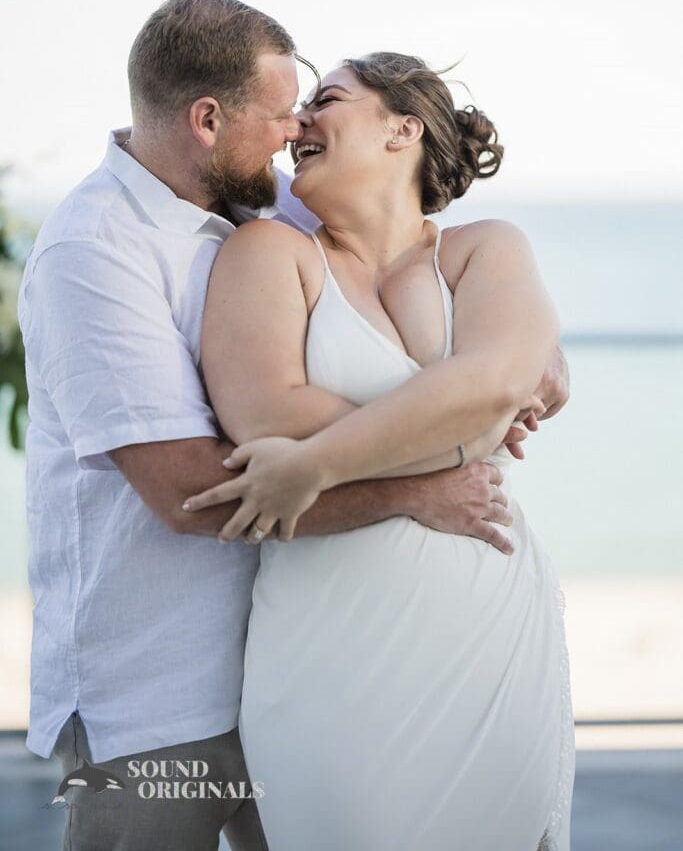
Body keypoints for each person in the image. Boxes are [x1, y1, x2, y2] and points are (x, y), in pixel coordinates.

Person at [17, 0, 566, 851]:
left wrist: (531, 349)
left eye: (312, 109)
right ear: (206, 120)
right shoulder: (95, 253)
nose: (291, 132)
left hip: (296, 656)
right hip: (160, 696)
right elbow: (192, 492)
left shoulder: (267, 203)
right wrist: (425, 478)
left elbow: (404, 239)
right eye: (281, 115)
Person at [185, 53, 575, 850]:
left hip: (490, 638)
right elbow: (264, 411)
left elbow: (499, 378)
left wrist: (315, 464)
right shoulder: (269, 253)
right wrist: (464, 425)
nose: (297, 126)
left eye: (325, 101)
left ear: (404, 128)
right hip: (330, 651)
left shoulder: (483, 249)